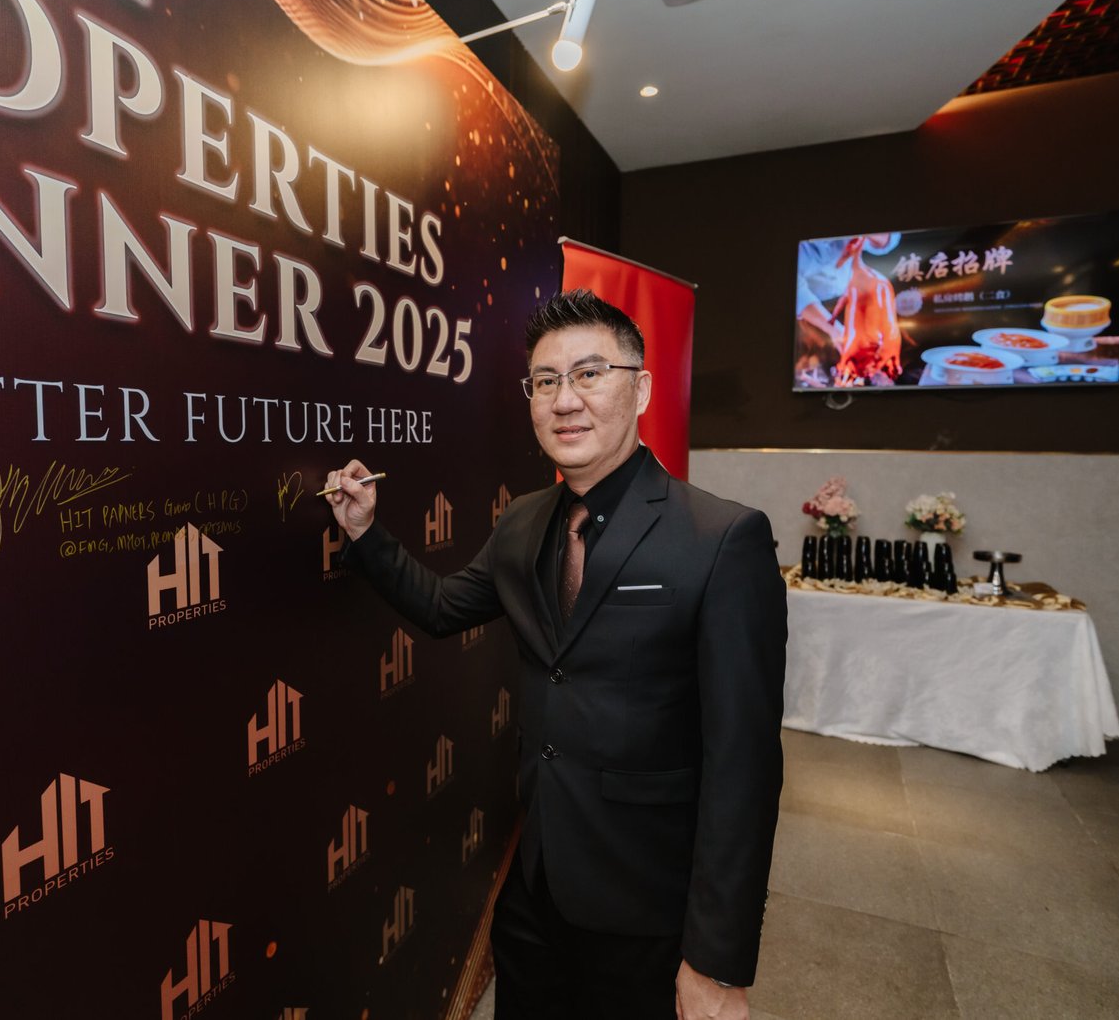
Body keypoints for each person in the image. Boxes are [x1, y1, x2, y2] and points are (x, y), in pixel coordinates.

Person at [324, 290, 787, 1020]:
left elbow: (744, 767)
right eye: (545, 381)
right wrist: (364, 533)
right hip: (535, 892)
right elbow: (442, 607)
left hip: (648, 911)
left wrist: (718, 962)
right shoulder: (522, 521)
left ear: (641, 389)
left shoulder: (721, 539)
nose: (565, 400)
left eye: (589, 374)